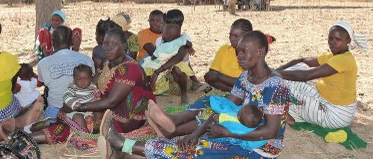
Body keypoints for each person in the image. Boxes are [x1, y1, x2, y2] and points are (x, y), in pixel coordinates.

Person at [98, 31, 290, 159]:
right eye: (237, 52)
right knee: (187, 139)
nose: (239, 56)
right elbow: (224, 110)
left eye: (243, 52)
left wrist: (226, 132)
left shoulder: (275, 86)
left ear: (261, 52)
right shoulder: (246, 77)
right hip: (238, 132)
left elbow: (271, 132)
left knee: (193, 150)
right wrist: (195, 133)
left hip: (260, 147)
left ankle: (122, 143)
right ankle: (128, 149)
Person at [275, 21, 368, 129]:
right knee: (290, 77)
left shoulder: (344, 60)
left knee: (282, 85)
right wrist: (277, 70)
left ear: (348, 41)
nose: (333, 42)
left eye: (338, 39)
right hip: (327, 101)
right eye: (330, 38)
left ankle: (285, 113)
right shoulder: (332, 56)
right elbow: (302, 61)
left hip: (336, 114)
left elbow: (307, 75)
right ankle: (287, 110)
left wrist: (273, 73)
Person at [73, 28, 156, 134]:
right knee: (70, 119)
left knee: (75, 122)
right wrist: (73, 97)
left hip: (130, 120)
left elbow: (112, 101)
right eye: (106, 43)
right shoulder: (106, 62)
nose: (108, 48)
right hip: (108, 111)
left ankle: (90, 135)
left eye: (114, 44)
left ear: (124, 46)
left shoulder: (129, 68)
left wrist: (81, 107)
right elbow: (92, 85)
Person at [0, 16, 44, 148]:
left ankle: (3, 131)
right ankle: (17, 123)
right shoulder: (8, 59)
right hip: (6, 112)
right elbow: (12, 89)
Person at [37, 25, 95, 118]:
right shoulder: (86, 59)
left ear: (52, 42)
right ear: (72, 41)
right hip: (84, 109)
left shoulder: (43, 63)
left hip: (56, 112)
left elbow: (42, 83)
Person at [150, 9, 203, 104]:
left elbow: (177, 58)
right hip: (165, 79)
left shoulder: (184, 40)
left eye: (162, 23)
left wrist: (157, 72)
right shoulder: (159, 40)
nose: (160, 25)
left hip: (180, 82)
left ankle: (184, 95)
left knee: (177, 68)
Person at [204, 19, 253, 92]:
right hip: (225, 92)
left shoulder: (253, 56)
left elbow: (247, 84)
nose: (231, 38)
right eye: (230, 35)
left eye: (236, 36)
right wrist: (230, 88)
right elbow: (210, 77)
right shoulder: (224, 50)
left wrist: (219, 76)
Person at [62, 64, 101, 132]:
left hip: (90, 110)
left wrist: (97, 95)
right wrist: (74, 103)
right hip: (76, 111)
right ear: (74, 79)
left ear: (91, 78)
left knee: (98, 109)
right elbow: (66, 96)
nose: (83, 82)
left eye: (86, 79)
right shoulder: (73, 87)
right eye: (79, 79)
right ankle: (84, 134)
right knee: (78, 117)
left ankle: (98, 124)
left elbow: (96, 95)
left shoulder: (93, 86)